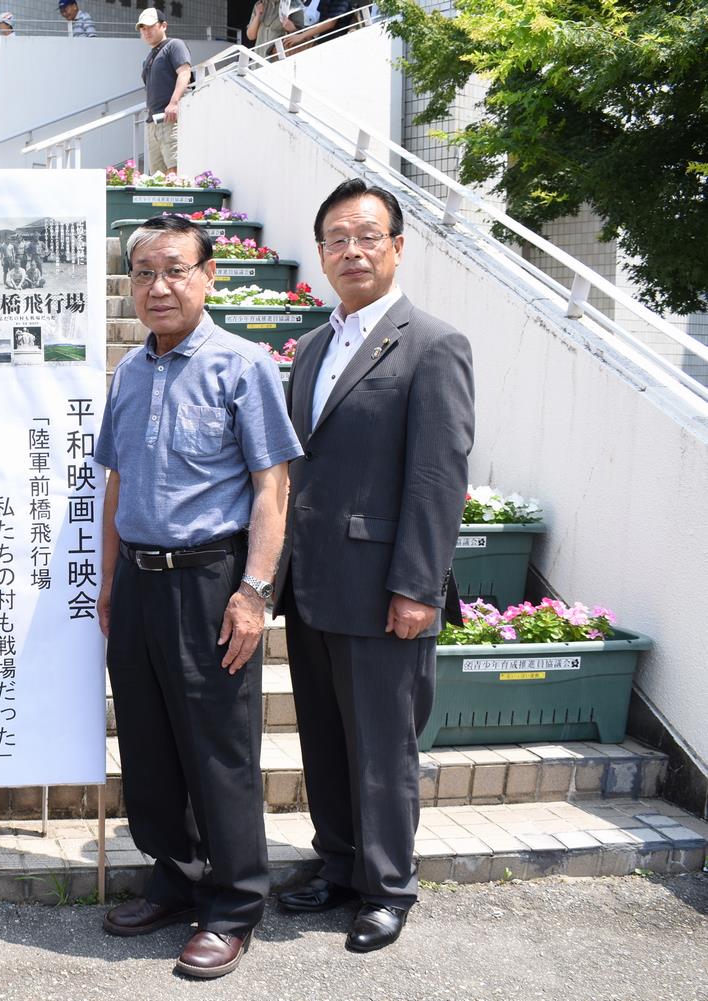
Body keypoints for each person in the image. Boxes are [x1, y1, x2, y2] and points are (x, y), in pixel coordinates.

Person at [94, 214, 302, 979]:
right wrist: (110, 583)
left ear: (208, 275)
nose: (158, 286)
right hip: (140, 589)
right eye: (144, 271)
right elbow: (116, 482)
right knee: (149, 745)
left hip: (213, 583)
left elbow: (271, 486)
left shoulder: (244, 366)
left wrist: (253, 591)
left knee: (219, 751)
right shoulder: (128, 370)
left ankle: (234, 901)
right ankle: (173, 876)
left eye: (174, 269)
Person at [275, 178, 475, 952]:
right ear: (322, 252)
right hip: (314, 584)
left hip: (387, 589)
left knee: (384, 747)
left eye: (367, 235)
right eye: (336, 238)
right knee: (324, 738)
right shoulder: (314, 346)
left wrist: (418, 587)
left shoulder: (433, 343)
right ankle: (339, 864)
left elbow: (437, 475)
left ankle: (388, 886)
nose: (351, 250)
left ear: (397, 245)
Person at [136, 8, 194, 175]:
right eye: (143, 28)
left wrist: (174, 102)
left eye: (150, 27)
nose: (146, 32)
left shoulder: (174, 45)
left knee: (174, 172)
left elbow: (184, 73)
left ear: (164, 26)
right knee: (158, 176)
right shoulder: (149, 57)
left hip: (169, 118)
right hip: (153, 122)